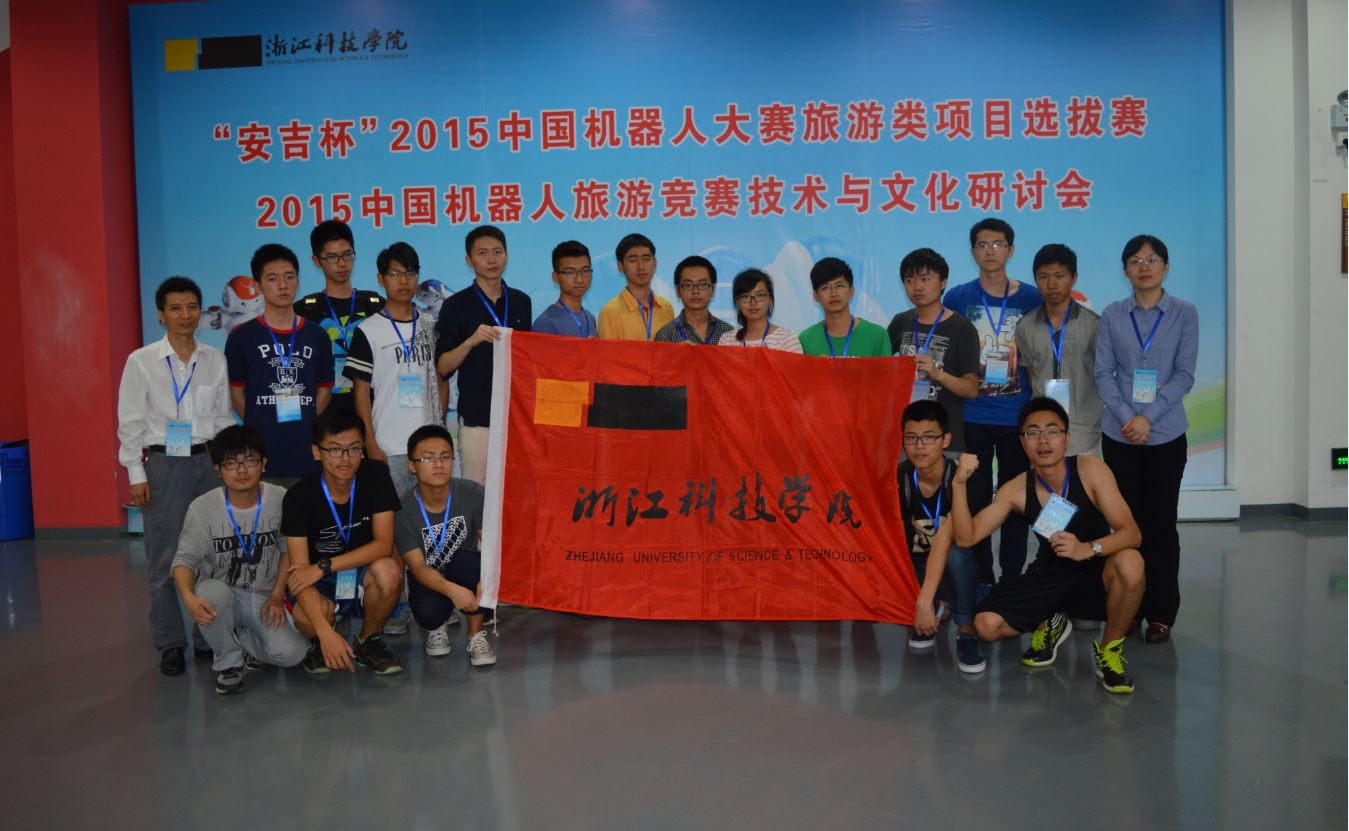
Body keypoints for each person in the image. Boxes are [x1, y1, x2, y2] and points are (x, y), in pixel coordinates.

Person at [950, 397, 1145, 694]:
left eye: (1052, 431)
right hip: (1049, 573)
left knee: (1131, 562)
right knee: (987, 626)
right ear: (1022, 442)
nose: (1043, 440)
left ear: (1067, 439)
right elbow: (967, 537)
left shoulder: (1091, 470)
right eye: (1033, 433)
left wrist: (1087, 548)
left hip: (1095, 570)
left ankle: (1108, 652)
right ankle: (1051, 624)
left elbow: (1132, 534)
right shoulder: (1015, 489)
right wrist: (958, 484)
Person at [117, 276, 236, 676]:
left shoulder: (214, 360)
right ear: (161, 314)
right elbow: (130, 423)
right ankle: (170, 642)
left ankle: (206, 636)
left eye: (192, 307)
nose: (185, 315)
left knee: (214, 554)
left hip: (207, 462)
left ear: (200, 312)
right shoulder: (141, 361)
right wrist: (136, 473)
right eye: (175, 308)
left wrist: (226, 465)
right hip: (163, 465)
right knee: (164, 557)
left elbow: (221, 418)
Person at [1094, 235, 1198, 645]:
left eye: (1152, 259)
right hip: (1119, 436)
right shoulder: (1112, 314)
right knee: (1125, 524)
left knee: (1160, 525)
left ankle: (1160, 612)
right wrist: (1128, 418)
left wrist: (1147, 418)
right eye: (1135, 261)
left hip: (1166, 435)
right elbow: (1103, 373)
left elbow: (1184, 375)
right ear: (1125, 270)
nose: (1144, 267)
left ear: (1166, 267)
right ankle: (1128, 605)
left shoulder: (1184, 313)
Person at [942, 218, 1043, 585]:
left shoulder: (1031, 298)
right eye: (982, 245)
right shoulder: (958, 297)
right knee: (977, 499)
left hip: (1017, 417)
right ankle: (983, 577)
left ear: (1011, 250)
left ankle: (1012, 578)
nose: (990, 251)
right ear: (973, 252)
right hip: (973, 416)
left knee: (1017, 500)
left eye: (998, 244)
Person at [171, 426, 308, 694]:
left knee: (294, 654)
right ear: (218, 470)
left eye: (250, 461)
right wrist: (188, 597)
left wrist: (277, 595)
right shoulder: (202, 508)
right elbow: (183, 562)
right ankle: (228, 663)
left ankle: (247, 640)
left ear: (264, 464)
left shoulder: (281, 498)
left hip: (266, 595)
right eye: (231, 463)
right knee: (208, 593)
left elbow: (287, 550)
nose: (242, 470)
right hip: (225, 594)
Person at [281, 409, 405, 675]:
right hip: (319, 582)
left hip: (356, 571)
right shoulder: (298, 497)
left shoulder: (376, 476)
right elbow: (299, 573)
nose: (346, 458)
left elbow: (384, 545)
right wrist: (324, 633)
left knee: (390, 570)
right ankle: (321, 643)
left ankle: (367, 641)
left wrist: (324, 566)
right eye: (335, 450)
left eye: (354, 449)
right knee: (306, 617)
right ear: (317, 452)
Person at [226, 244, 334, 486]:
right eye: (273, 279)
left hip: (305, 451)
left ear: (298, 281)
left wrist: (306, 420)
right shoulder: (242, 337)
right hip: (261, 454)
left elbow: (325, 389)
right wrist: (257, 424)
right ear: (258, 286)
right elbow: (235, 393)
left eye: (289, 277)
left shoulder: (317, 335)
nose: (283, 285)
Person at [434, 225, 532, 485]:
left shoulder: (521, 302)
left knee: (516, 492)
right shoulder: (455, 305)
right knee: (477, 494)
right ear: (469, 260)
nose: (492, 259)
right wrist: (471, 341)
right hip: (478, 420)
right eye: (483, 253)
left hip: (516, 419)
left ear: (507, 256)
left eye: (498, 252)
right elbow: (443, 367)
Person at [343, 241, 443, 497]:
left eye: (410, 273)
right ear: (381, 279)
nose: (404, 281)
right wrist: (370, 444)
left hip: (430, 446)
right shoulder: (368, 330)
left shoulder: (431, 325)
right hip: (389, 446)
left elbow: (442, 377)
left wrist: (440, 429)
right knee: (392, 518)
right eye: (395, 274)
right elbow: (360, 392)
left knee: (430, 516)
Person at [395, 425, 497, 665]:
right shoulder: (402, 510)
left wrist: (487, 579)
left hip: (464, 568)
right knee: (428, 613)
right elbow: (418, 567)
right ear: (412, 466)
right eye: (428, 458)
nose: (438, 464)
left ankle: (475, 633)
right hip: (429, 575)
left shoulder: (471, 492)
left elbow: (491, 544)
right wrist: (451, 590)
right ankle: (437, 627)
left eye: (445, 457)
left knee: (470, 565)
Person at [897, 400, 985, 673]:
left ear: (945, 440)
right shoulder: (901, 477)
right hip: (920, 568)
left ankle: (966, 628)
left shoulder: (969, 479)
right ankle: (935, 604)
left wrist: (922, 600)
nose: (919, 446)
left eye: (928, 437)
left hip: (962, 572)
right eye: (911, 438)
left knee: (956, 551)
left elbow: (952, 539)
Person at [886, 248, 980, 455]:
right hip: (906, 437)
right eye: (909, 280)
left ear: (943, 282)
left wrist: (938, 374)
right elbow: (880, 368)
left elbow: (972, 389)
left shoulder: (962, 328)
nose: (917, 286)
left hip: (945, 439)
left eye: (925, 279)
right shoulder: (900, 322)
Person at [1014, 244, 1105, 457]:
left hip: (1083, 429)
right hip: (1042, 432)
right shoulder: (1025, 326)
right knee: (1044, 480)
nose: (1052, 284)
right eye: (1044, 277)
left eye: (1059, 276)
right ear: (1036, 279)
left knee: (1084, 479)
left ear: (1074, 278)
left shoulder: (1094, 325)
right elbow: (1032, 374)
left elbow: (1103, 374)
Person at [295, 220, 386, 413]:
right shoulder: (303, 311)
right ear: (316, 261)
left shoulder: (375, 305)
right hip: (323, 413)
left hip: (372, 412)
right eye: (332, 257)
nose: (342, 263)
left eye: (347, 254)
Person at [798, 258, 890, 358]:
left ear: (851, 291)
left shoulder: (877, 336)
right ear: (816, 296)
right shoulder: (805, 340)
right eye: (825, 288)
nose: (834, 293)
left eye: (839, 286)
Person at [597, 233, 675, 340]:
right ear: (620, 266)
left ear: (655, 263)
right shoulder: (609, 312)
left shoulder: (666, 308)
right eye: (633, 260)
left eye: (646, 259)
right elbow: (609, 352)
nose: (641, 266)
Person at [654, 255, 735, 345]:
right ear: (677, 291)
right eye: (688, 285)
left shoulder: (729, 333)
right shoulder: (665, 336)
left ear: (713, 289)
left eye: (702, 284)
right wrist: (675, 352)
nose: (695, 291)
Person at [717, 269, 802, 351]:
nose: (753, 303)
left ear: (770, 299)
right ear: (737, 301)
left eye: (760, 295)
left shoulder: (786, 339)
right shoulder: (727, 340)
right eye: (745, 296)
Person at [532, 240, 599, 338]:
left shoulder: (590, 318)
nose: (579, 279)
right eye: (570, 272)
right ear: (555, 277)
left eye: (585, 271)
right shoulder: (545, 323)